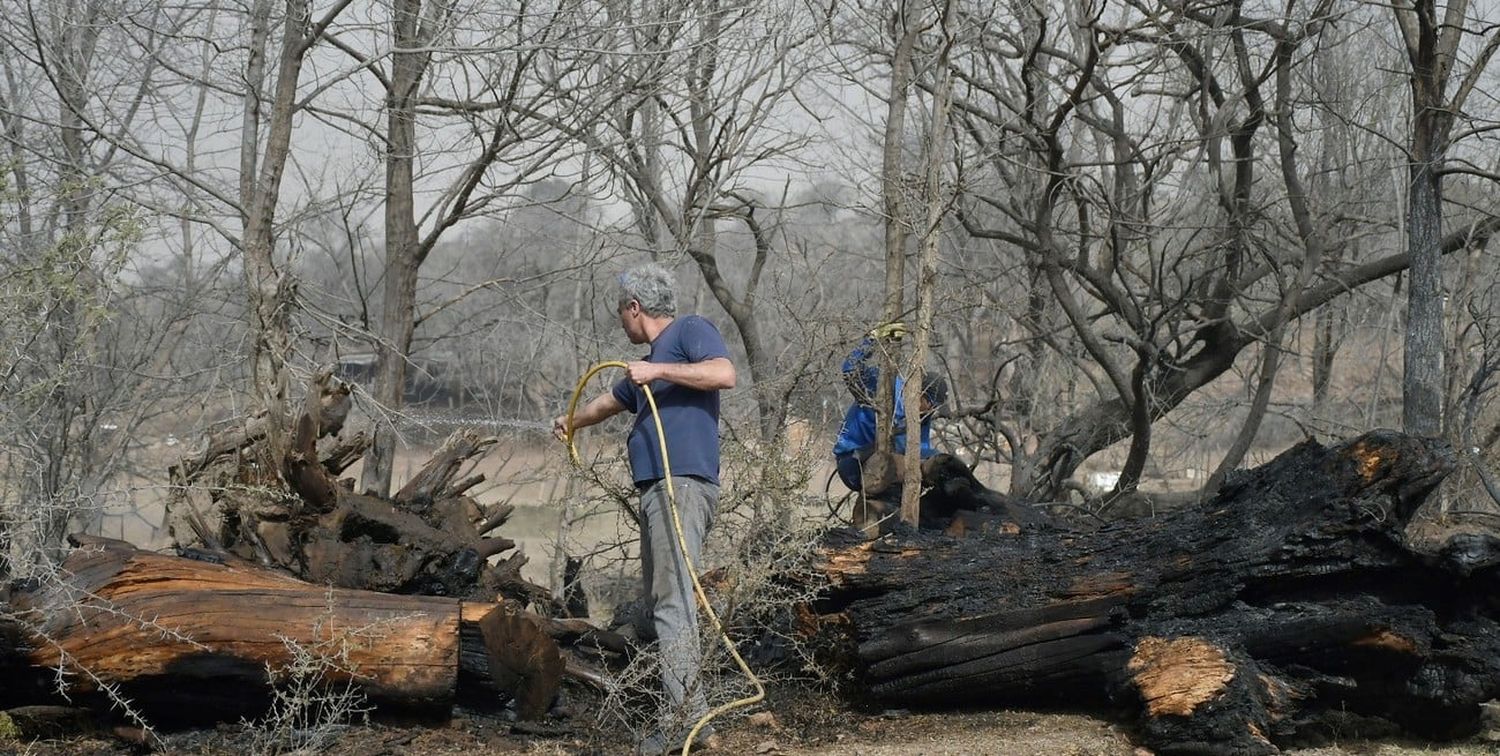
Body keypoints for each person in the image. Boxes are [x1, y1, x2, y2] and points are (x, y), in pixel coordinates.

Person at [552, 263, 735, 755]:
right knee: (661, 607)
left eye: (621, 312)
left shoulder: (689, 331)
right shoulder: (643, 369)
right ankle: (688, 719)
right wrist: (570, 422)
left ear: (636, 308)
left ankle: (685, 727)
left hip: (682, 487)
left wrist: (659, 370)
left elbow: (724, 373)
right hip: (659, 491)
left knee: (674, 606)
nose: (621, 322)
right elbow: (606, 403)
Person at [832, 322, 948, 511]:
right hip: (853, 462)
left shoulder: (923, 417)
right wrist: (873, 339)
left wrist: (939, 461)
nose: (930, 411)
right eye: (931, 405)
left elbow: (922, 449)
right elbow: (850, 369)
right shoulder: (883, 386)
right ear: (920, 393)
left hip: (889, 468)